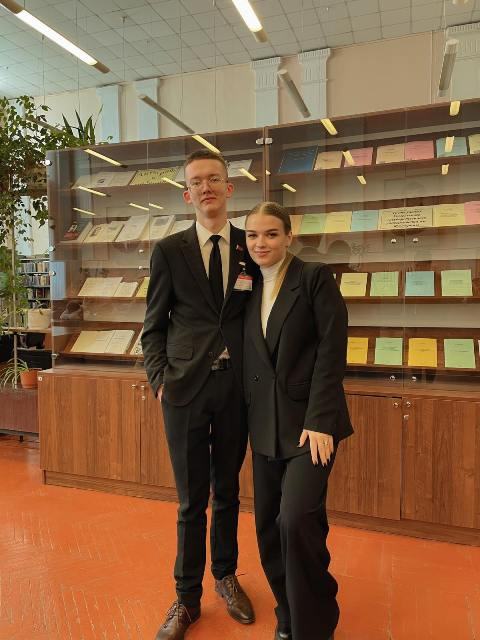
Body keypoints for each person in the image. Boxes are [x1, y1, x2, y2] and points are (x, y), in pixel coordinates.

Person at [142, 149, 258, 640]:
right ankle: (187, 598)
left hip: (235, 389)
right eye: (196, 181)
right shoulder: (169, 251)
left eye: (214, 179)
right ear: (187, 194)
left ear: (229, 188)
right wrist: (160, 380)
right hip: (184, 391)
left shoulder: (252, 246)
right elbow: (153, 326)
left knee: (228, 491)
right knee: (191, 501)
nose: (205, 187)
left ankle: (225, 577)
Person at [243, 202, 354, 640]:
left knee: (296, 521)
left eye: (271, 234)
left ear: (289, 237)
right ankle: (287, 613)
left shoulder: (313, 278)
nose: (261, 243)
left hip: (311, 427)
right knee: (268, 528)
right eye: (253, 235)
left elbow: (332, 349)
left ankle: (315, 624)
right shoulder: (247, 287)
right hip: (264, 425)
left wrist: (322, 419)